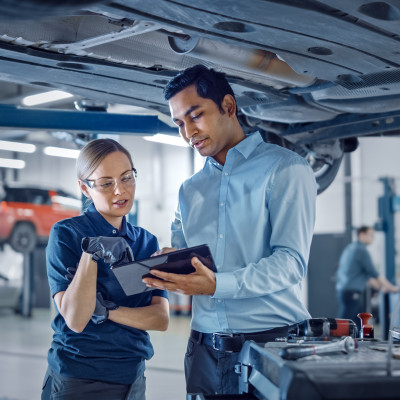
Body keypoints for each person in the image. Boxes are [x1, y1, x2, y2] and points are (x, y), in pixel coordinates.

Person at [142, 64, 317, 395]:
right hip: (204, 348)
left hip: (271, 343)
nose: (187, 132)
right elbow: (188, 257)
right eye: (179, 123)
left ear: (228, 106)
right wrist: (172, 264)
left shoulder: (285, 169)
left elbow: (291, 262)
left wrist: (217, 285)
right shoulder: (189, 190)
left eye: (195, 116)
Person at [42, 138, 169, 400]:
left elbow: (159, 318)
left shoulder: (146, 242)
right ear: (84, 188)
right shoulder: (66, 235)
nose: (120, 191)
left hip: (132, 376)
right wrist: (92, 253)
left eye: (127, 178)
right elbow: (76, 320)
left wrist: (105, 310)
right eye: (106, 183)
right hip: (78, 377)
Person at [336, 226, 398, 330]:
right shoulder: (361, 250)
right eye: (370, 235)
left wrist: (380, 287)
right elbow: (373, 273)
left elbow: (366, 275)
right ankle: (337, 341)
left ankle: (355, 342)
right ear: (362, 235)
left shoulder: (351, 247)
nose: (372, 238)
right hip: (351, 291)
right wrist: (392, 288)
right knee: (346, 321)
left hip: (344, 290)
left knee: (355, 321)